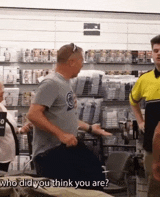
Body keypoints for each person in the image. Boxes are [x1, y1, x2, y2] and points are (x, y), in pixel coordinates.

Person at [27, 43, 111, 190]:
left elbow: (63, 116)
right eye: (81, 61)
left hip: (66, 148)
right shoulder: (51, 83)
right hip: (51, 153)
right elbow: (33, 115)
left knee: (96, 179)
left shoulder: (65, 83)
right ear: (71, 62)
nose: (82, 66)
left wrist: (90, 128)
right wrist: (61, 135)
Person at [129, 34, 160, 195]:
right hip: (151, 146)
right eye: (155, 50)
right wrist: (140, 121)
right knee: (155, 187)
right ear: (151, 53)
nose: (159, 54)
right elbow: (133, 100)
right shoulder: (144, 79)